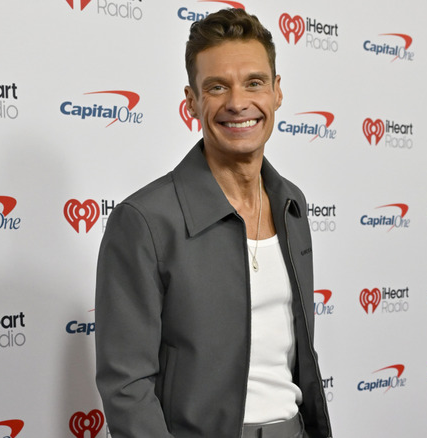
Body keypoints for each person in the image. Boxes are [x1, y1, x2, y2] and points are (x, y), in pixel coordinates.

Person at [95, 8, 332, 438]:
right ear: (192, 101)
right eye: (217, 87)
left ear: (277, 92)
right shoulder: (146, 221)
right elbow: (126, 387)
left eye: (254, 83)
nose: (238, 103)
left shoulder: (290, 203)